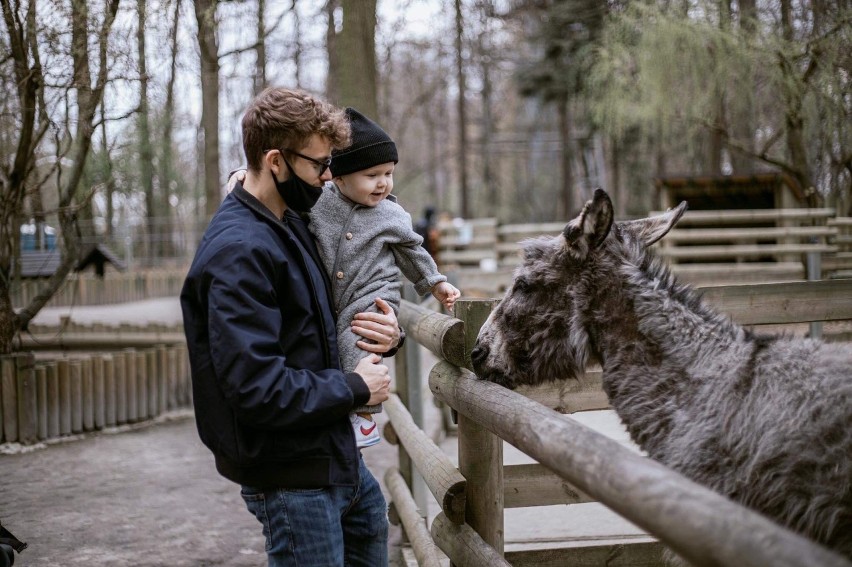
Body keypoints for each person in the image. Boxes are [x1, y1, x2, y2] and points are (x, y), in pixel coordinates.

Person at [180, 87, 402, 567]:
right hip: (289, 472)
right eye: (319, 165)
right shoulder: (239, 252)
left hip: (331, 451)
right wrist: (355, 387)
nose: (328, 177)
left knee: (370, 531)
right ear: (276, 161)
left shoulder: (292, 221)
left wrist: (387, 333)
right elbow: (256, 388)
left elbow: (329, 317)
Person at [309, 108, 460, 448]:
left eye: (388, 173)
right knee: (332, 346)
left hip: (372, 293)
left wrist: (436, 283)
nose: (383, 183)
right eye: (372, 174)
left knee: (357, 341)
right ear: (339, 177)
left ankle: (363, 418)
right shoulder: (319, 202)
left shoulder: (392, 215)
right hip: (332, 294)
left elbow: (413, 252)